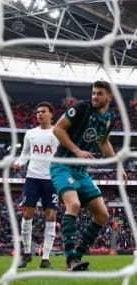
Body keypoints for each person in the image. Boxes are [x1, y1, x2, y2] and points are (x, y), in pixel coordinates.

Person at [50, 80, 126, 271]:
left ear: (110, 97)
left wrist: (118, 165)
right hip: (63, 165)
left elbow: (104, 142)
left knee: (102, 215)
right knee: (73, 204)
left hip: (82, 172)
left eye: (99, 93)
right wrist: (76, 150)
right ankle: (70, 259)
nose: (94, 96)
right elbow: (58, 129)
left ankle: (78, 256)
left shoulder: (109, 118)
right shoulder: (82, 108)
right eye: (93, 93)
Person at [13, 101, 60, 269]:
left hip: (52, 179)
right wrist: (19, 163)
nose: (40, 114)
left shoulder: (57, 132)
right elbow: (25, 154)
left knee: (50, 216)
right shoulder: (30, 133)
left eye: (43, 111)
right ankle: (26, 254)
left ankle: (45, 258)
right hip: (32, 177)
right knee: (27, 215)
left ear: (51, 114)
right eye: (38, 112)